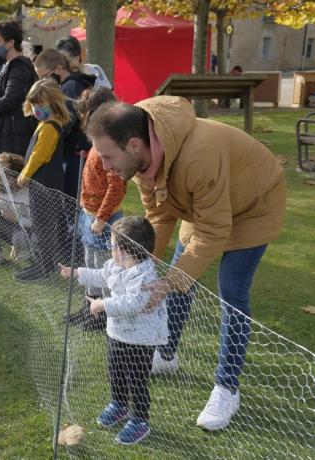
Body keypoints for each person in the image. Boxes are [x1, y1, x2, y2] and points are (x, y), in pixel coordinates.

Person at [87, 95, 287, 431]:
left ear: (134, 145)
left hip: (254, 205)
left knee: (231, 292)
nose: (105, 168)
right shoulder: (139, 163)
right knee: (178, 281)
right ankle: (166, 355)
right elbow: (159, 215)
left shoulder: (200, 157)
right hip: (204, 205)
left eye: (107, 157)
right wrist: (138, 265)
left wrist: (167, 281)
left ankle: (227, 388)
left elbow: (214, 229)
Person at [59, 216, 168, 445]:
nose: (110, 250)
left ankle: (140, 419)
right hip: (117, 333)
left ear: (128, 251)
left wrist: (102, 304)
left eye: (113, 246)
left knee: (136, 379)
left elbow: (132, 303)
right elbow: (101, 275)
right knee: (115, 370)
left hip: (141, 340)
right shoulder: (116, 265)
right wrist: (77, 272)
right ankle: (119, 404)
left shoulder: (144, 275)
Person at [64, 88, 127, 331]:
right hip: (88, 213)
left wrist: (101, 219)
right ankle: (90, 304)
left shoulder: (112, 144)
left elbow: (116, 188)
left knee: (104, 267)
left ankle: (103, 312)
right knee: (89, 261)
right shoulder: (98, 138)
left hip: (102, 218)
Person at [14, 78, 70, 281]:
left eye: (41, 104)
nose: (37, 108)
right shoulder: (44, 124)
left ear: (53, 103)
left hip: (44, 186)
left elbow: (40, 155)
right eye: (34, 104)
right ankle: (44, 263)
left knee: (43, 226)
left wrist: (25, 174)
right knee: (42, 225)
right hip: (45, 185)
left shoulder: (49, 128)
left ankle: (45, 268)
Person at [34, 49, 95, 199]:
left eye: (44, 76)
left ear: (58, 69)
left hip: (77, 153)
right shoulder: (70, 85)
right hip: (76, 151)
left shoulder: (70, 87)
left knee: (72, 200)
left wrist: (52, 132)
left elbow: (66, 121)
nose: (42, 82)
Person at [0, 20, 37, 157]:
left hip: (15, 135)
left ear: (10, 43)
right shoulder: (6, 66)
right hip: (6, 130)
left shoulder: (19, 67)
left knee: (9, 175)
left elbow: (10, 99)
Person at [0, 152, 32, 268]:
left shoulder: (27, 193)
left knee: (20, 239)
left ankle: (27, 251)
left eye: (10, 177)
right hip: (5, 229)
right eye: (4, 177)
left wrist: (17, 219)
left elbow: (35, 223)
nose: (7, 181)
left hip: (24, 231)